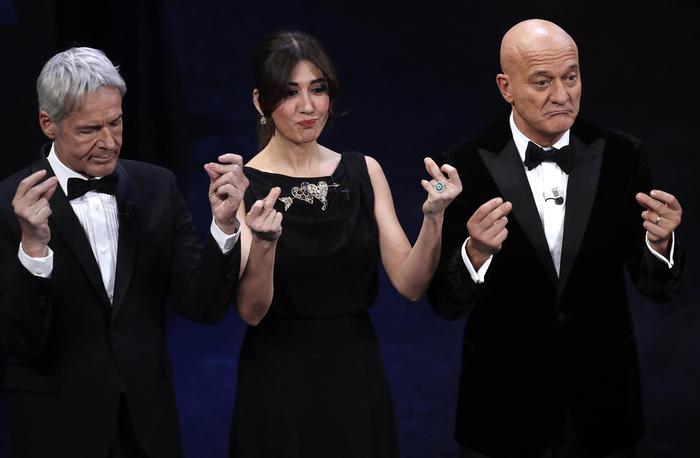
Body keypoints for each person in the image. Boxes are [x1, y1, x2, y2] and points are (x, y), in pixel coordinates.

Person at [427, 19, 685, 458]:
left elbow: (656, 289)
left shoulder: (624, 156)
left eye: (572, 77)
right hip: (503, 410)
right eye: (543, 82)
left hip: (603, 405)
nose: (563, 95)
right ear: (506, 87)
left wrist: (659, 246)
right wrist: (475, 253)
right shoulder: (461, 166)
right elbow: (446, 304)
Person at [0, 47, 246, 457]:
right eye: (89, 129)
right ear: (49, 124)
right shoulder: (8, 204)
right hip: (54, 431)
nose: (109, 142)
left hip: (147, 430)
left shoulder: (157, 188)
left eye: (115, 123)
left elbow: (201, 307)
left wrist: (223, 227)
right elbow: (20, 341)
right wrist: (34, 247)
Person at [227, 30, 462, 458]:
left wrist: (434, 218)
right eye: (289, 92)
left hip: (355, 369)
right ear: (260, 101)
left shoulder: (362, 171)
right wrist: (263, 244)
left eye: (318, 90)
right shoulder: (244, 186)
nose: (308, 107)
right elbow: (252, 311)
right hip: (276, 375)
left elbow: (410, 284)